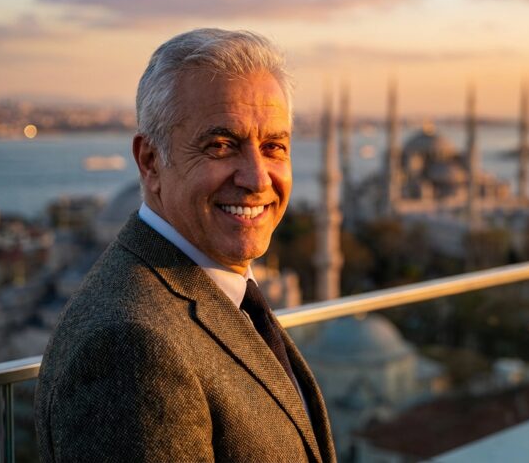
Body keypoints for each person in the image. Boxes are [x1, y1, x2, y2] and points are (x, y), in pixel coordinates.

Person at [34, 28, 336, 463]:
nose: (256, 178)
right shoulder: (131, 349)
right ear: (150, 161)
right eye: (220, 146)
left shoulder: (221, 293)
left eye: (274, 146)